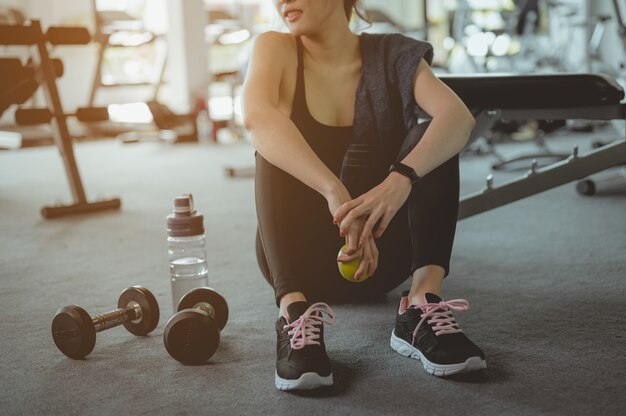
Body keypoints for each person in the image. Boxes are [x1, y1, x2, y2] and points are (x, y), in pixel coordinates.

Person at [242, 0, 486, 391]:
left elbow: (458, 118)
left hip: (383, 255)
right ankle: (295, 314)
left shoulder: (392, 53)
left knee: (433, 138)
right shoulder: (276, 47)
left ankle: (421, 304)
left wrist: (400, 180)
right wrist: (335, 192)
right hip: (295, 260)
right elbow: (257, 118)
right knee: (274, 144)